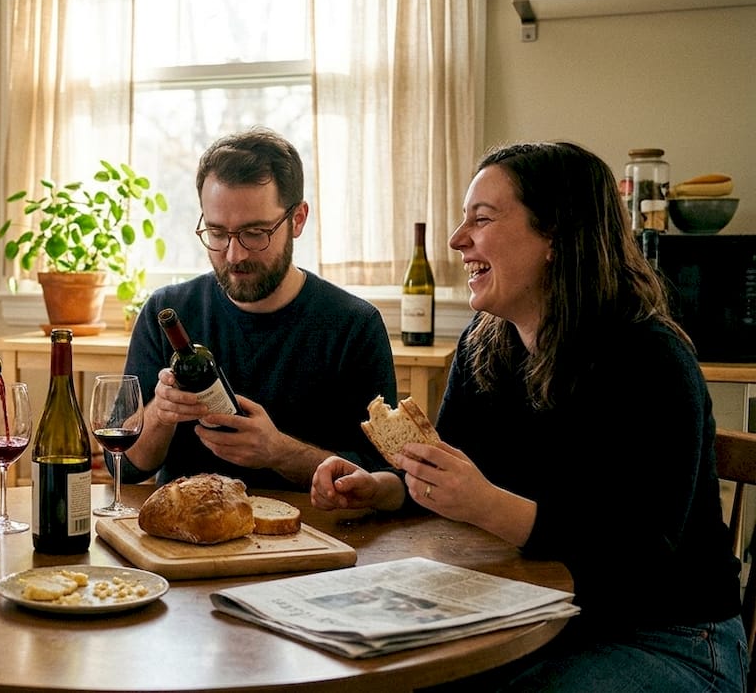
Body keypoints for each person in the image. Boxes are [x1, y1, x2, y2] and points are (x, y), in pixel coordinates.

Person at [311, 141, 747, 691]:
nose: (457, 240)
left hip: (668, 637)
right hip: (529, 613)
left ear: (556, 238)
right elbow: (457, 469)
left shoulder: (650, 358)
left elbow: (639, 556)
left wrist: (490, 506)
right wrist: (388, 488)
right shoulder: (486, 343)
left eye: (483, 219)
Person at [121, 127, 397, 491]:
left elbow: (387, 481)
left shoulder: (354, 326)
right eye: (217, 233)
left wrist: (279, 452)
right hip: (185, 538)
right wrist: (161, 413)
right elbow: (126, 468)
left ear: (297, 220)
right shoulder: (167, 312)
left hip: (312, 538)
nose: (234, 255)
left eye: (255, 233)